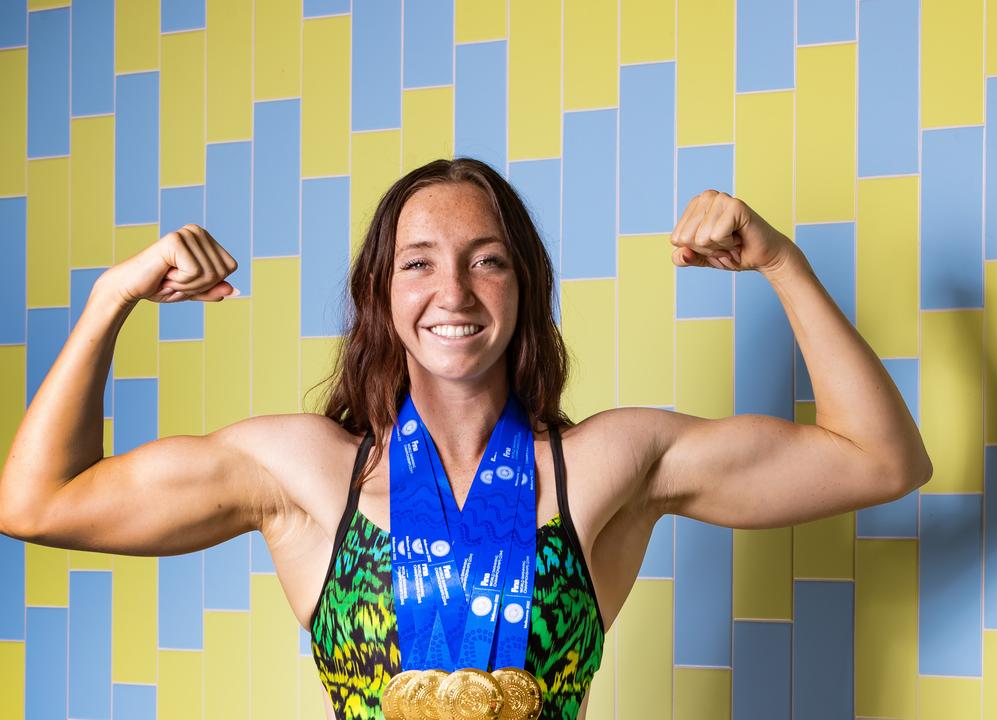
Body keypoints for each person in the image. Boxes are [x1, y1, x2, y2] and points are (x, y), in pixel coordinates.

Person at [0, 157, 932, 720]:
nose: (453, 291)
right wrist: (108, 300)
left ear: (523, 288)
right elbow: (35, 503)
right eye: (419, 263)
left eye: (486, 261)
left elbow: (883, 459)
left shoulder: (608, 465)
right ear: (384, 296)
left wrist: (780, 260)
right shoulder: (302, 475)